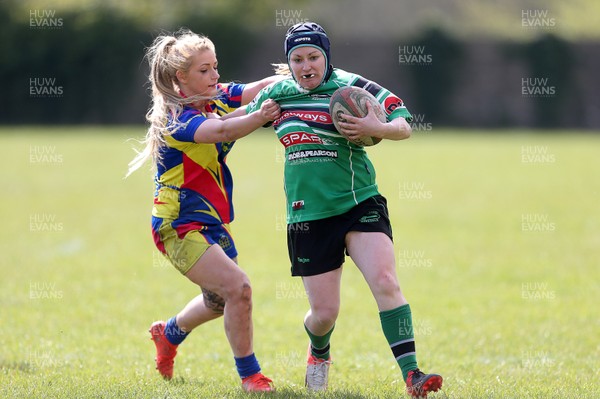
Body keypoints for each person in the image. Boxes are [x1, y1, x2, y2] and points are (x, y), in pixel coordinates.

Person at [246, 22, 443, 397]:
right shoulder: (278, 95)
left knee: (386, 282)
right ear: (289, 63)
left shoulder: (353, 87)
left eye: (314, 57)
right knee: (324, 315)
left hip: (359, 202)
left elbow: (404, 123)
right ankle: (319, 352)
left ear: (327, 57)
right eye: (298, 59)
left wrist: (377, 126)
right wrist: (247, 117)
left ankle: (412, 375)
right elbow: (232, 126)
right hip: (308, 216)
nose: (307, 66)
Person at [126, 29, 281, 392]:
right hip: (176, 225)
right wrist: (261, 115)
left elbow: (259, 86)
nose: (214, 77)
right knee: (239, 289)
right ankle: (250, 376)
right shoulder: (177, 120)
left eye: (215, 68)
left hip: (209, 222)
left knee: (217, 301)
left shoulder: (214, 95)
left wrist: (300, 74)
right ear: (181, 77)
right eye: (204, 70)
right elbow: (224, 130)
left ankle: (169, 334)